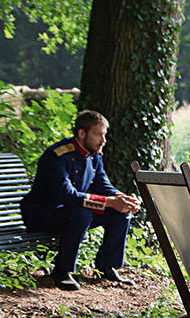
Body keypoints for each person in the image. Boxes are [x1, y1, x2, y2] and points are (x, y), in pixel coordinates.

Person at [19, 110, 142, 290]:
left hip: (72, 212)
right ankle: (62, 271)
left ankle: (105, 267)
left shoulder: (94, 155)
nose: (103, 140)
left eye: (104, 134)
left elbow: (103, 184)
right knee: (81, 214)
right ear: (82, 134)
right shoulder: (56, 156)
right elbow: (66, 195)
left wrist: (122, 199)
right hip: (42, 215)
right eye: (98, 135)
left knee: (120, 213)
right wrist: (109, 202)